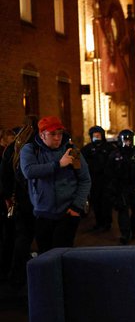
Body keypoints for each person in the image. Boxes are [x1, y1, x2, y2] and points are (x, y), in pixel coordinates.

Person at [19, 116, 91, 253]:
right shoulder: (31, 150)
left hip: (67, 214)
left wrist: (77, 206)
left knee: (63, 255)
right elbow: (29, 171)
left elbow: (85, 179)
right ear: (42, 134)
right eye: (52, 134)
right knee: (46, 256)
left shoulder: (71, 151)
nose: (57, 137)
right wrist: (58, 165)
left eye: (60, 133)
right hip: (42, 214)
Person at [0, 120, 36, 288]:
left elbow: (5, 177)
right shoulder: (36, 146)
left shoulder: (14, 147)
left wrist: (7, 197)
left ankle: (16, 275)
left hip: (20, 200)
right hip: (33, 199)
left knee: (20, 237)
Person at [106, 130, 135, 245]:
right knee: (123, 211)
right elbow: (109, 173)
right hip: (121, 188)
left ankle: (134, 229)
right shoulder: (115, 155)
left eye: (129, 141)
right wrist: (112, 189)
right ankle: (125, 234)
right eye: (125, 141)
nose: (128, 143)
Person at [81, 125, 115, 231]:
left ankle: (107, 223)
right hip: (94, 180)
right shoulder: (87, 149)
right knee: (96, 203)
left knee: (106, 203)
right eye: (94, 135)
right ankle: (99, 222)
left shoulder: (109, 148)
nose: (96, 137)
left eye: (98, 135)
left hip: (106, 180)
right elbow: (81, 162)